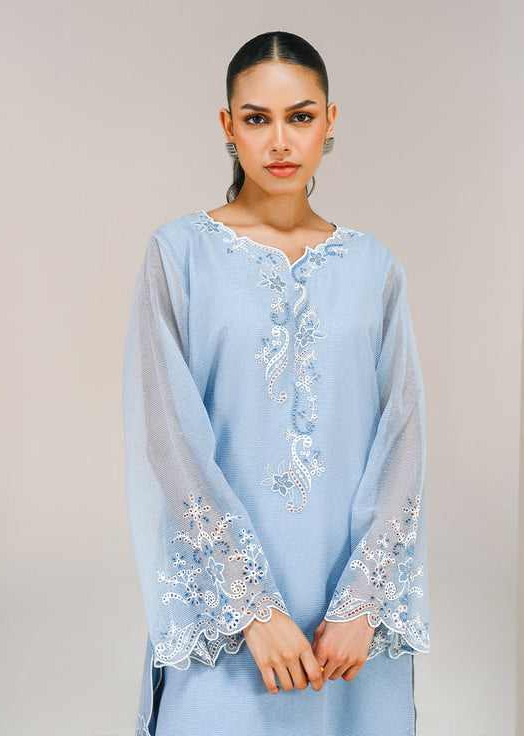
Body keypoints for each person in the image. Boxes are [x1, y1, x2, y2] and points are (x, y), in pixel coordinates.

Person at [122, 30, 430, 736]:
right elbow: (168, 438)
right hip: (227, 611)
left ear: (329, 121)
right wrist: (252, 608)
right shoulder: (179, 254)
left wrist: (363, 603)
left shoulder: (375, 268)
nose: (280, 142)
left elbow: (403, 439)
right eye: (257, 119)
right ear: (228, 127)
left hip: (348, 624)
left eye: (301, 116)